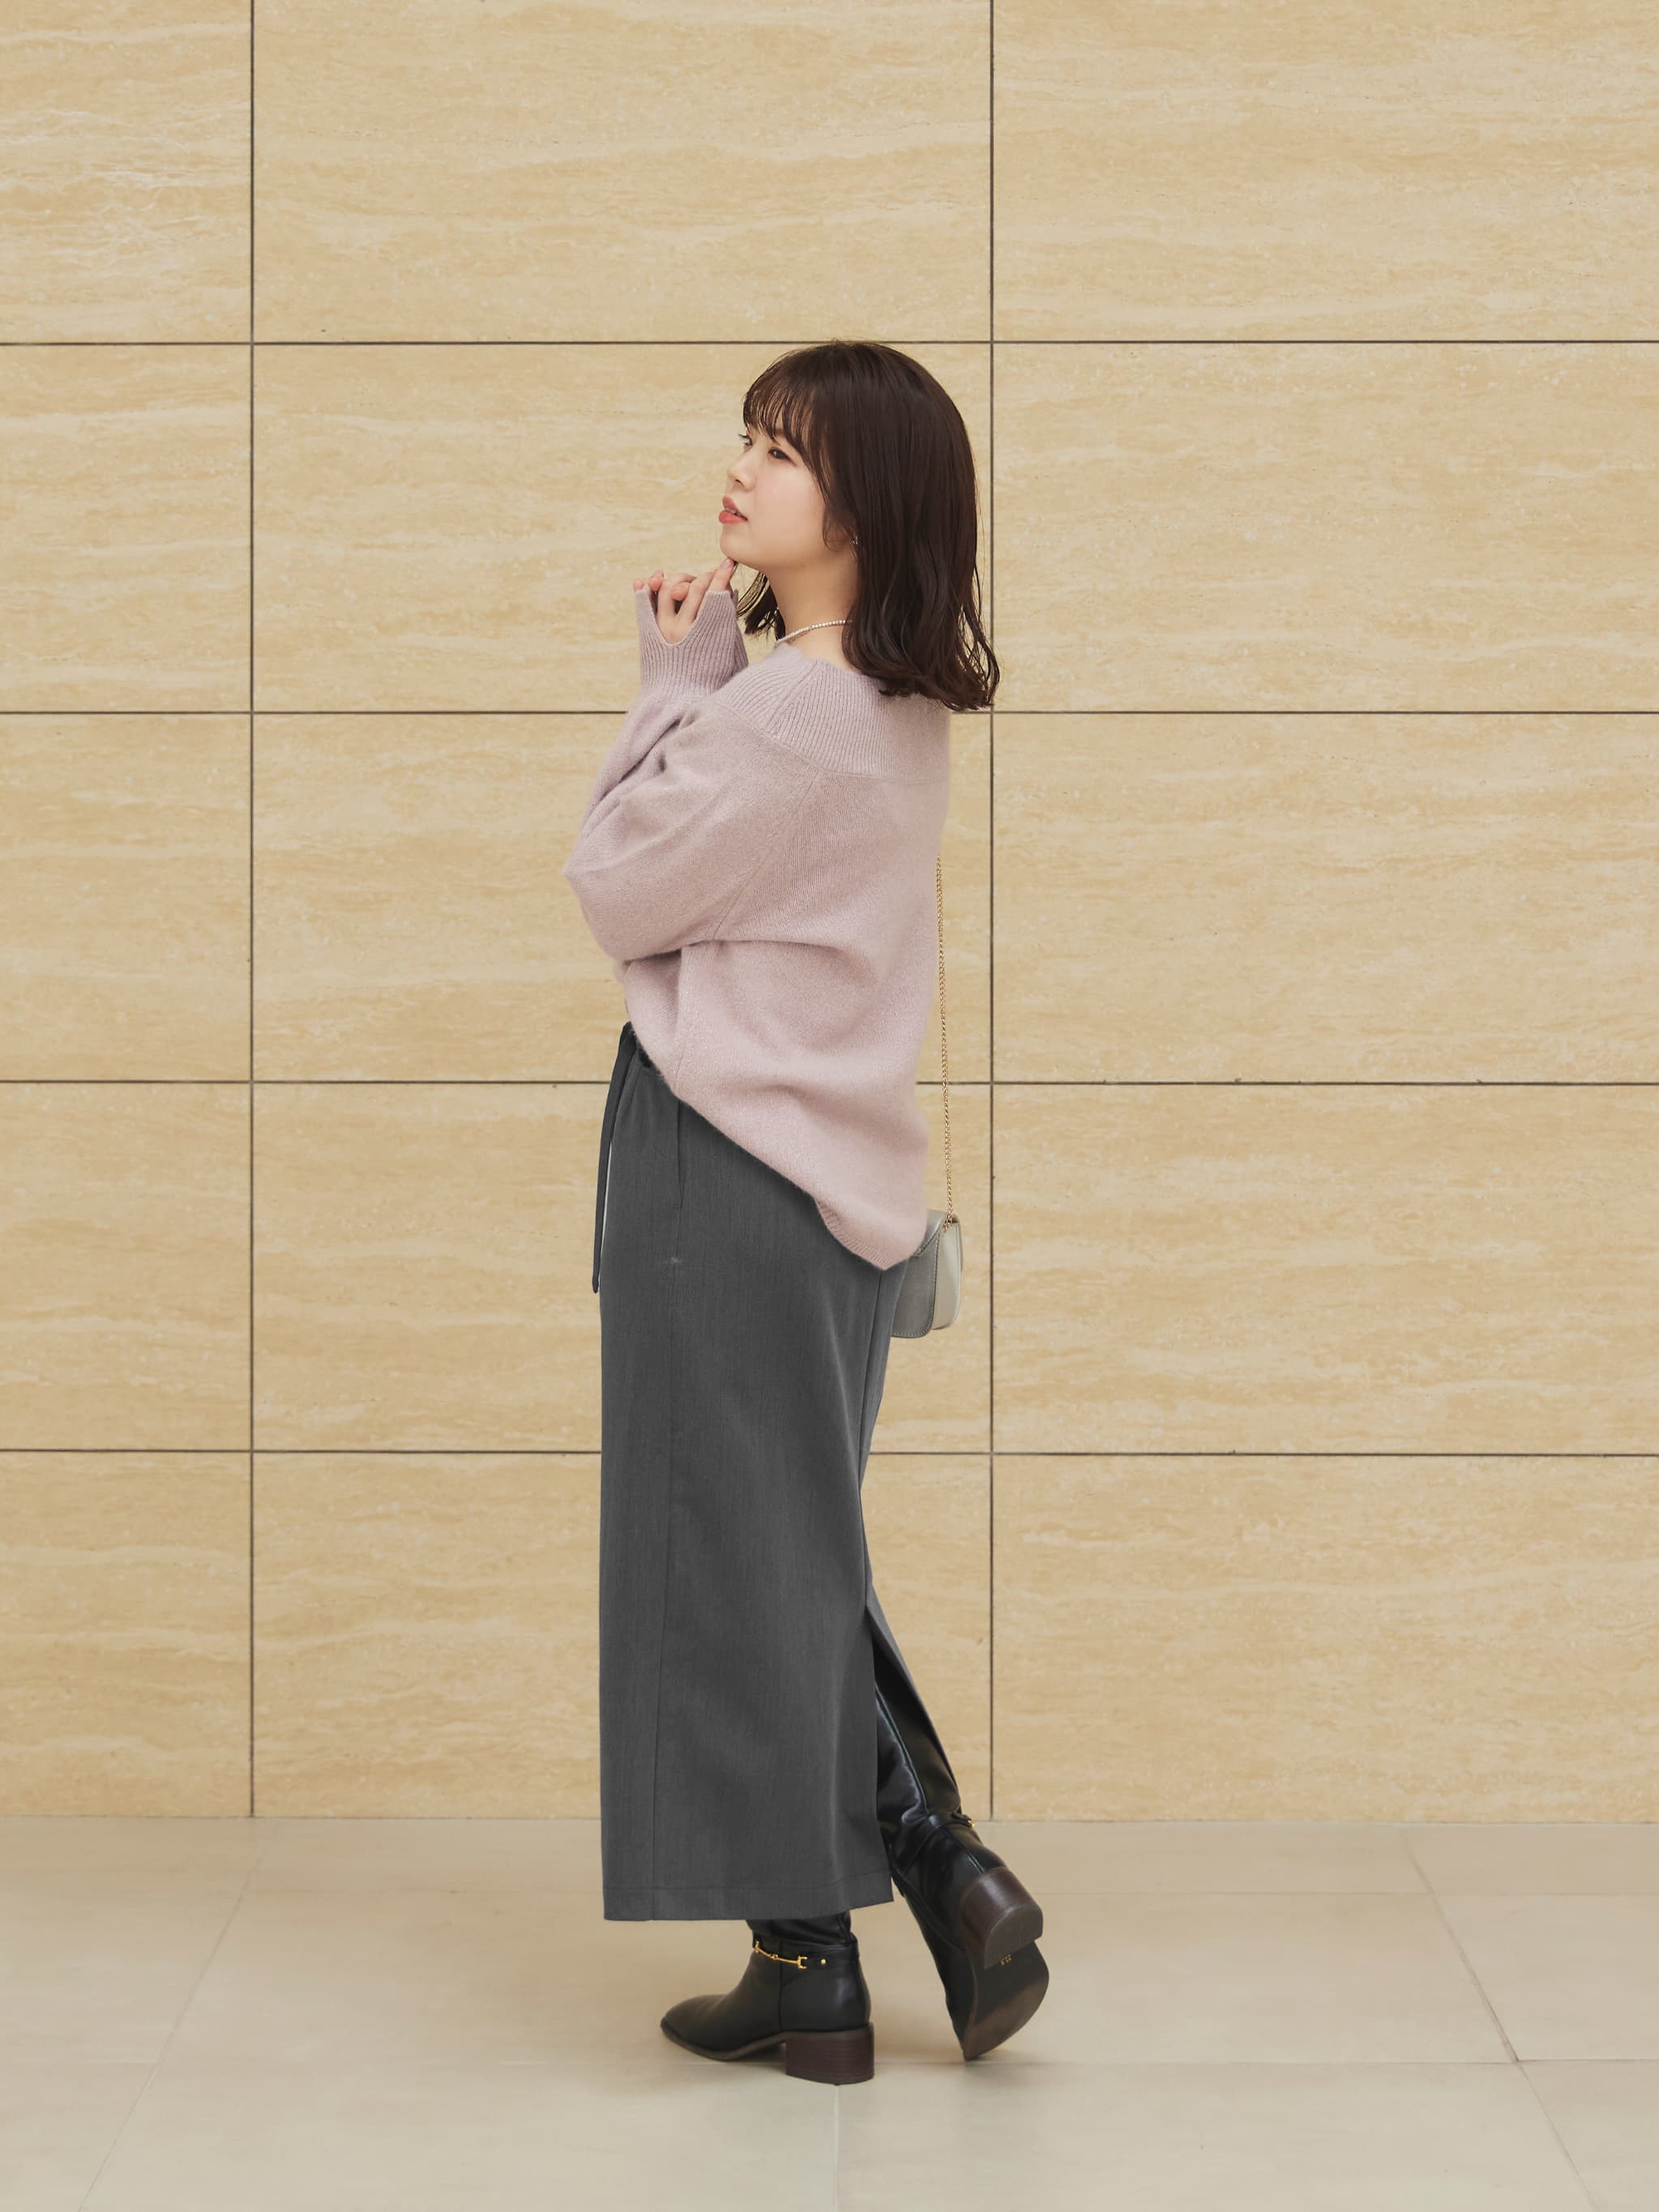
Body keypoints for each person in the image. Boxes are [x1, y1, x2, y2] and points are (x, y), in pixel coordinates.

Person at [562, 340, 1048, 2086]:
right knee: (783, 1551)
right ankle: (849, 1935)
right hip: (835, 1185)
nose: (743, 470)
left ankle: (883, 1904)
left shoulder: (787, 711)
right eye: (750, 439)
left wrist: (675, 679)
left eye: (784, 450)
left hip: (726, 1166)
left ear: (868, 501)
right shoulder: (900, 708)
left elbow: (613, 881)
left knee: (733, 1556)